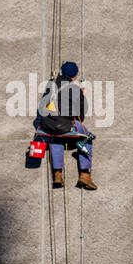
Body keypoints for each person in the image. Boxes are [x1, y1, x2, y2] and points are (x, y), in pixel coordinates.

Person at [39, 61, 97, 190]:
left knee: (56, 139)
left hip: (48, 125)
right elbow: (81, 115)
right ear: (74, 76)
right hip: (65, 124)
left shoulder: (51, 85)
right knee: (87, 138)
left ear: (62, 72)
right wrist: (83, 96)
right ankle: (85, 175)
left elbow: (42, 106)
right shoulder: (75, 89)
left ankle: (58, 174)